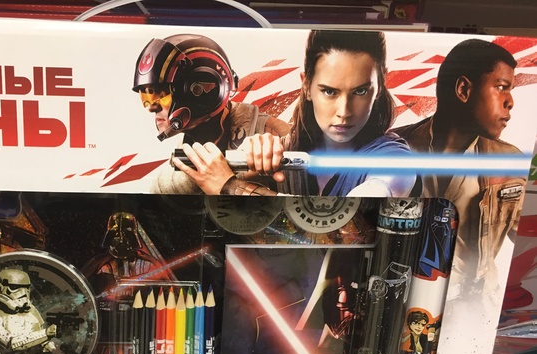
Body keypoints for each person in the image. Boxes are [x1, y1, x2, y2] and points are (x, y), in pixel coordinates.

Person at [173, 30, 418, 198]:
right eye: (329, 91)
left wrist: (229, 186)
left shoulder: (393, 160)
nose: (344, 112)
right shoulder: (287, 147)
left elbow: (343, 224)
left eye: (360, 91)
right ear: (306, 86)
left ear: (381, 85)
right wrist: (246, 163)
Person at [394, 38, 524, 298]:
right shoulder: (392, 149)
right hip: (401, 295)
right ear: (463, 89)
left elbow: (527, 238)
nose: (510, 102)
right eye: (501, 87)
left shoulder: (510, 164)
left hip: (473, 307)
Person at [132, 33, 289, 195]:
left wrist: (229, 185)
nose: (151, 108)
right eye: (147, 98)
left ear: (200, 93)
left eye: (161, 95)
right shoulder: (183, 153)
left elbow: (299, 205)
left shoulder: (275, 136)